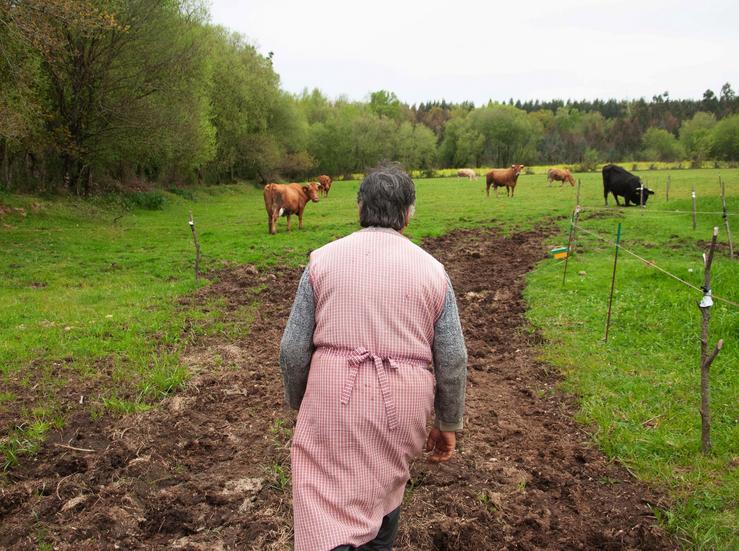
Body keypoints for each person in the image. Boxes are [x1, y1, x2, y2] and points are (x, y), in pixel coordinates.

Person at [279, 163, 467, 551]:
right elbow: (452, 357)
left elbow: (292, 349)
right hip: (402, 405)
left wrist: (303, 400)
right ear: (409, 213)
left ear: (359, 206)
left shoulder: (322, 260)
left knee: (321, 495)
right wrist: (447, 422)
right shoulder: (434, 272)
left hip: (333, 396)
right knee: (384, 491)